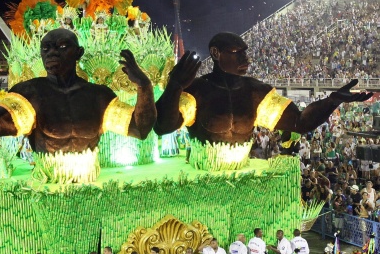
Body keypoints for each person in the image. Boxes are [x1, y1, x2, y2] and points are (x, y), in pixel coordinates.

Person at [153, 32, 373, 163]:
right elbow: (162, 126)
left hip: (241, 176)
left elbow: (300, 122)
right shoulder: (197, 90)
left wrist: (332, 100)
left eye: (245, 52)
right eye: (237, 53)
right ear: (216, 53)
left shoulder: (257, 92)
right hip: (203, 177)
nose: (246, 59)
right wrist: (175, 86)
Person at [0, 28, 156, 156]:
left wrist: (144, 86)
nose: (52, 53)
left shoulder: (98, 96)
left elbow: (140, 129)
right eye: (46, 49)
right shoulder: (29, 94)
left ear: (78, 53)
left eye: (62, 47)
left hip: (89, 184)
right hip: (49, 184)